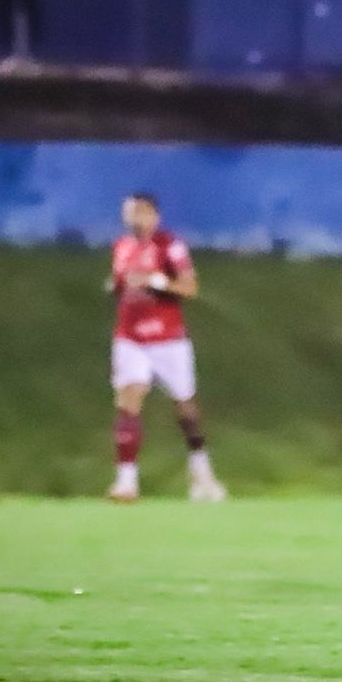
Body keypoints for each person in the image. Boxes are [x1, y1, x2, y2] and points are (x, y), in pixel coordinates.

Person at [106, 193, 228, 504]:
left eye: (139, 212)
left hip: (168, 339)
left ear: (153, 215)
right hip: (130, 337)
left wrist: (158, 283)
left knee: (186, 409)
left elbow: (190, 288)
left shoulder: (169, 245)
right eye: (128, 213)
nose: (133, 218)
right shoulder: (121, 246)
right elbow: (119, 285)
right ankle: (126, 482)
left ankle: (201, 471)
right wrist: (117, 287)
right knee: (129, 400)